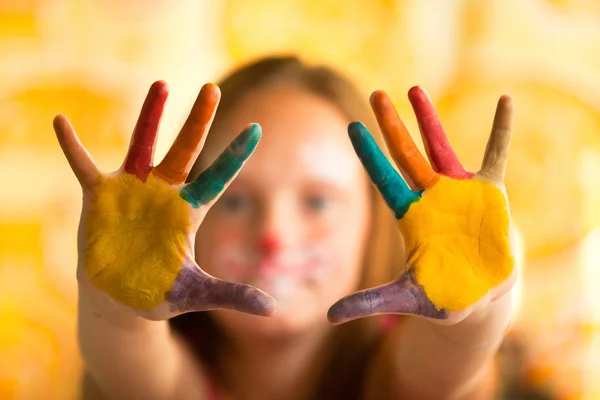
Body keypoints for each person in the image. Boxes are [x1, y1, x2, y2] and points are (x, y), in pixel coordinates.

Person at [54, 56, 516, 399]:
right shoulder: (172, 371)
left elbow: (448, 358)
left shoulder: (394, 371)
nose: (274, 235)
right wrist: (113, 308)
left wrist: (479, 310)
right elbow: (130, 358)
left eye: (317, 201)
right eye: (234, 200)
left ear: (373, 223)